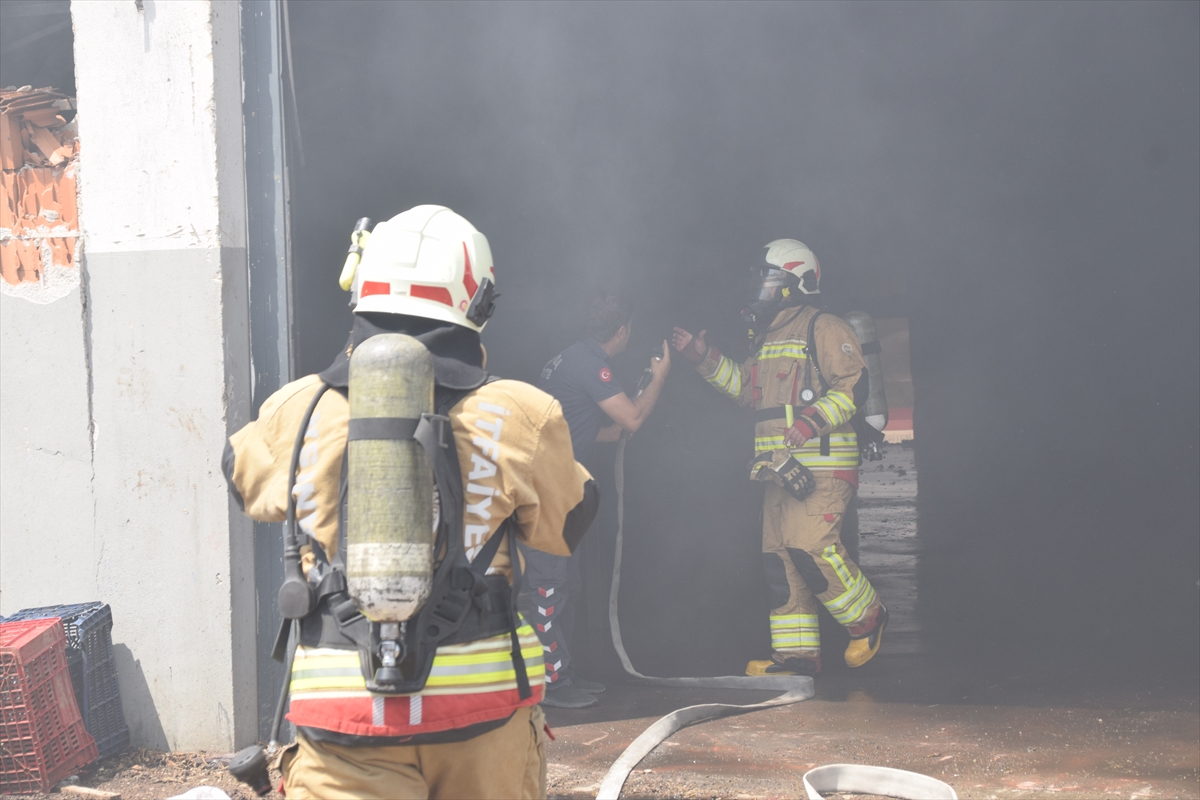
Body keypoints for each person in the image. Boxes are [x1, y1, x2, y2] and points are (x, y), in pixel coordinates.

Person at [222, 205, 598, 799]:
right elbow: (568, 527)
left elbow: (242, 483)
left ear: (360, 287)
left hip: (343, 712)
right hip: (482, 712)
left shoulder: (298, 406)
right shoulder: (525, 412)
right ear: (479, 303)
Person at [671, 239, 886, 677]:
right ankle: (796, 658)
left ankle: (868, 616)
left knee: (812, 548)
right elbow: (745, 392)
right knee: (780, 560)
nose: (759, 288)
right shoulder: (767, 339)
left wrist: (810, 423)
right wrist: (703, 359)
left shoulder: (825, 328)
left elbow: (853, 388)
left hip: (822, 464)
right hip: (777, 468)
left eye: (768, 279)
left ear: (794, 284)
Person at [518, 294, 671, 708]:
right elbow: (632, 419)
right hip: (546, 490)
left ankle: (561, 672)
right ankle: (547, 683)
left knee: (565, 584)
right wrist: (660, 376)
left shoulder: (567, 359)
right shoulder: (589, 364)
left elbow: (591, 430)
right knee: (547, 588)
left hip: (557, 489)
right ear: (621, 332)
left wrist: (622, 423)